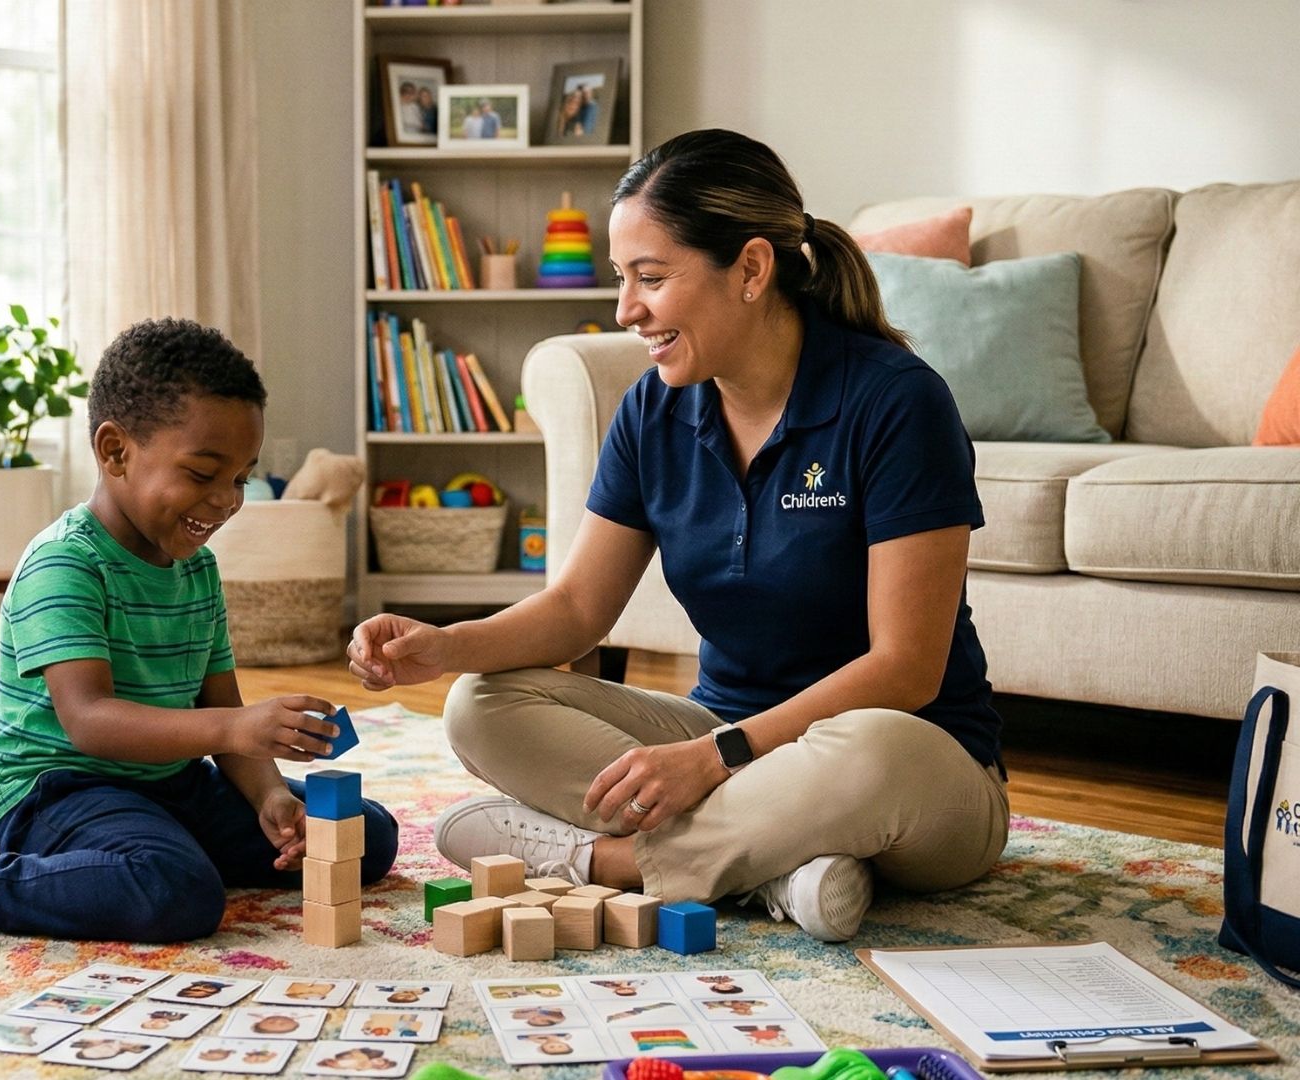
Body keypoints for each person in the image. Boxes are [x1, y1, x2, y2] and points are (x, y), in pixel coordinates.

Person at [347, 128, 1009, 942]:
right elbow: (579, 609)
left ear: (753, 270)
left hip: (916, 769)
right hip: (727, 744)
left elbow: (906, 670)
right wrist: (447, 645)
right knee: (481, 702)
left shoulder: (896, 403)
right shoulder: (654, 410)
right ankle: (780, 871)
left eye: (651, 279)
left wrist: (719, 758)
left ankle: (603, 863)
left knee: (871, 746)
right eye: (625, 281)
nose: (627, 312)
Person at [0, 317, 399, 940]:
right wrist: (235, 726)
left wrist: (271, 799)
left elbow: (222, 717)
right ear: (115, 451)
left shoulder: (196, 570)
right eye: (203, 474)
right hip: (61, 791)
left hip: (170, 779)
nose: (227, 500)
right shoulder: (64, 562)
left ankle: (139, 860)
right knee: (174, 892)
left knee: (366, 833)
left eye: (240, 479)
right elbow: (89, 722)